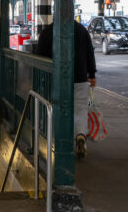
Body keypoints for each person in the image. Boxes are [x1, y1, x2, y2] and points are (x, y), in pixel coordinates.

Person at [35, 20, 97, 159]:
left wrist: (41, 79)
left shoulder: (47, 31)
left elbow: (40, 56)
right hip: (80, 77)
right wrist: (92, 74)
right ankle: (80, 135)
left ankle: (59, 141)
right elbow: (90, 52)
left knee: (57, 108)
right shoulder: (81, 30)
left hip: (56, 79)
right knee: (80, 109)